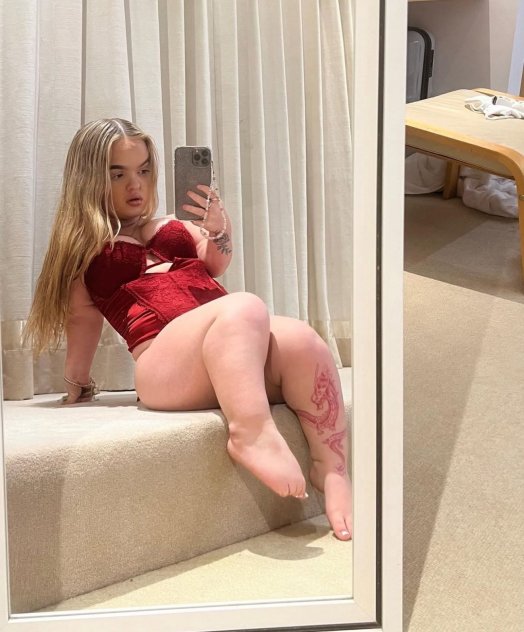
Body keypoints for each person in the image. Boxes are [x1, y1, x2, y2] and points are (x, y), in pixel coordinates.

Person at [24, 118, 353, 541]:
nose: (135, 185)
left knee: (302, 338)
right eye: (117, 174)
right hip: (167, 368)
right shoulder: (85, 254)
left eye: (144, 170)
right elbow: (81, 324)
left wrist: (219, 229)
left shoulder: (176, 226)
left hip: (231, 350)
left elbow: (216, 262)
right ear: (88, 179)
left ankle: (332, 468)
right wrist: (77, 385)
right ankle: (250, 433)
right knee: (245, 307)